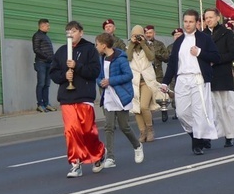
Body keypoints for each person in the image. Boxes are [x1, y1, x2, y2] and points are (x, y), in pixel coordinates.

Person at [49, 21, 105, 178]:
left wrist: (77, 66)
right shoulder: (61, 51)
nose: (70, 34)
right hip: (67, 97)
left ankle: (98, 153)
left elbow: (94, 71)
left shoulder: (89, 50)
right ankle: (75, 163)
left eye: (73, 31)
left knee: (87, 131)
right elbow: (53, 73)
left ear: (81, 32)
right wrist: (64, 76)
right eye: (68, 31)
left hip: (84, 95)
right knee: (71, 130)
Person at [161, 9, 221, 155]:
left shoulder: (204, 39)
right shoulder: (179, 42)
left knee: (199, 113)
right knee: (182, 113)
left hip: (198, 79)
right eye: (186, 21)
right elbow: (172, 63)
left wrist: (200, 53)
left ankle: (197, 144)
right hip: (182, 79)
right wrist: (165, 82)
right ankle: (197, 136)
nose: (188, 25)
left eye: (191, 22)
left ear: (196, 23)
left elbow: (216, 57)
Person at [95, 32, 144, 170]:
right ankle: (110, 157)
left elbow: (128, 75)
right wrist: (101, 82)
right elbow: (98, 76)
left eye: (97, 44)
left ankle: (137, 146)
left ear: (104, 45)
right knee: (108, 126)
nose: (96, 47)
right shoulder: (101, 58)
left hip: (121, 96)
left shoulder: (120, 58)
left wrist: (111, 81)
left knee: (124, 126)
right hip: (108, 97)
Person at [203, 9, 234, 147]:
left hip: (223, 74)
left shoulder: (226, 33)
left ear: (218, 18)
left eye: (211, 17)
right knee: (211, 108)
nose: (208, 20)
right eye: (206, 18)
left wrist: (216, 60)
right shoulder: (203, 35)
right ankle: (209, 136)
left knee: (226, 106)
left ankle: (229, 134)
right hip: (209, 75)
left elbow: (233, 53)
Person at [127, 25, 161, 143]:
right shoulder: (129, 47)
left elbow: (151, 57)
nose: (137, 37)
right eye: (134, 35)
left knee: (143, 106)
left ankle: (150, 129)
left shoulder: (148, 45)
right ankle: (142, 132)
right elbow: (127, 58)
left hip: (147, 81)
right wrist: (132, 43)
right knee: (137, 109)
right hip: (135, 81)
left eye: (139, 35)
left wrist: (143, 43)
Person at [32, 18, 56, 112]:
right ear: (42, 26)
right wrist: (47, 57)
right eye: (47, 25)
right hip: (41, 63)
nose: (48, 27)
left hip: (48, 63)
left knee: (47, 84)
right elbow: (36, 49)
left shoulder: (45, 36)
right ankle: (40, 104)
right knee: (41, 84)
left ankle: (46, 104)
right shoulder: (37, 35)